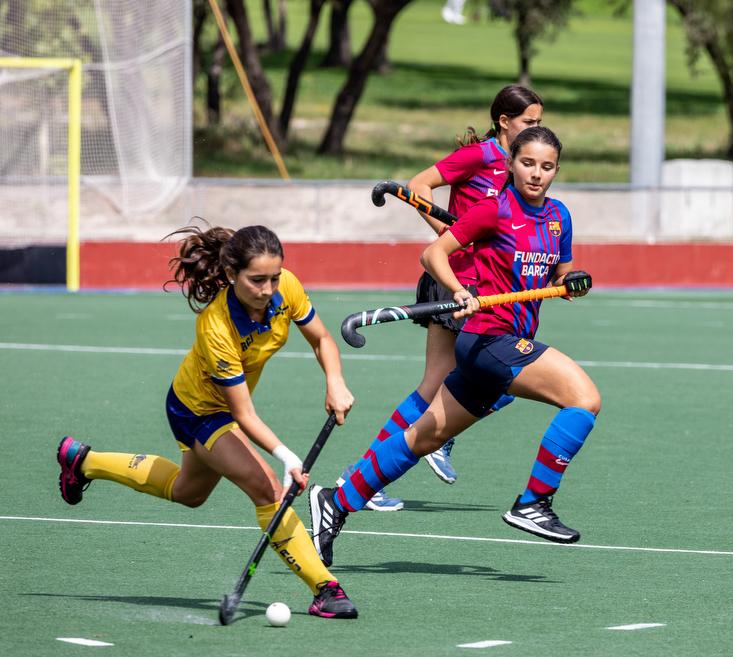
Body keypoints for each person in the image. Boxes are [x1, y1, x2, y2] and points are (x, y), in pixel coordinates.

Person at [309, 126, 599, 569]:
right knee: (583, 398)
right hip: (488, 339)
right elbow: (434, 254)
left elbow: (561, 276)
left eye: (546, 166)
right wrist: (459, 288)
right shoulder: (493, 211)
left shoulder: (559, 217)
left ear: (556, 170)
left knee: (424, 436)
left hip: (507, 341)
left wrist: (571, 283)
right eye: (527, 163)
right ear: (511, 163)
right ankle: (534, 502)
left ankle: (336, 501)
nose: (536, 174)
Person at [56, 224, 359, 620]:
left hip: (217, 408)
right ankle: (326, 590)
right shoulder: (217, 326)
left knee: (188, 492)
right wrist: (287, 457)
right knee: (266, 487)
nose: (268, 289)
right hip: (198, 410)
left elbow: (321, 339)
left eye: (273, 277)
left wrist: (334, 381)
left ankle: (83, 461)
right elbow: (242, 414)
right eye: (257, 280)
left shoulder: (287, 287)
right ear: (232, 274)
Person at [350, 84, 543, 509]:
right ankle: (416, 452)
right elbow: (420, 184)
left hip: (486, 288)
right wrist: (447, 234)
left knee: (442, 382)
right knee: (495, 377)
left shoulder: (515, 167)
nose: (535, 129)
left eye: (539, 122)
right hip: (458, 282)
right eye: (529, 122)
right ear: (504, 122)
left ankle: (364, 475)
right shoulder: (482, 155)